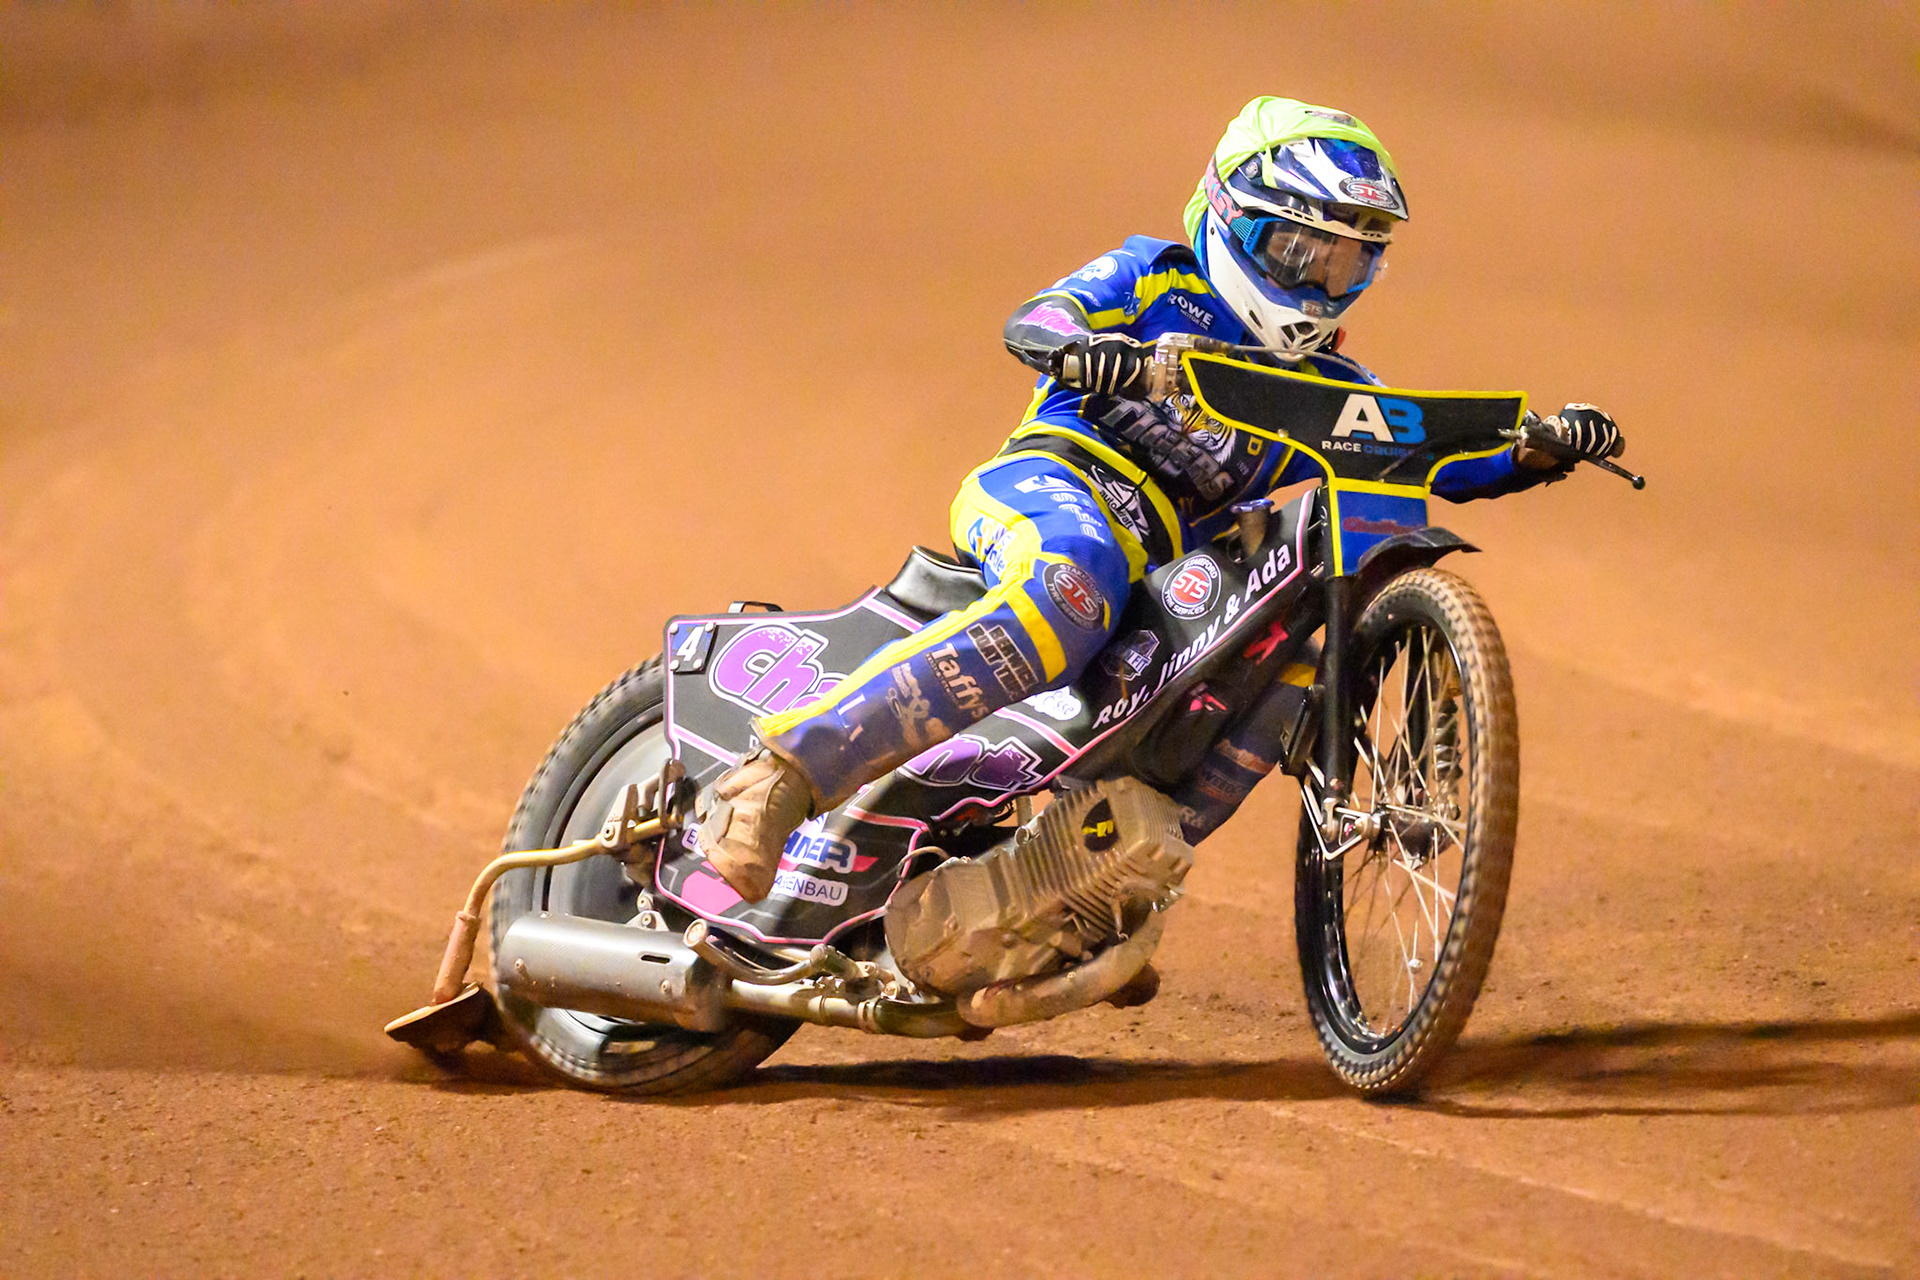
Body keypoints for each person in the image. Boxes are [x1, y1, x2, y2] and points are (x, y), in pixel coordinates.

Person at [696, 95, 1623, 900]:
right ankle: (778, 777)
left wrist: (1536, 449)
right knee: (1077, 575)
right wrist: (1088, 349)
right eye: (1299, 248)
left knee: (1282, 641)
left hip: (1161, 580)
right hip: (1053, 485)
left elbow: (1433, 459)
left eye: (1345, 264)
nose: (1317, 283)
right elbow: (1040, 318)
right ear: (1233, 220)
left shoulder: (1334, 387)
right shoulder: (1155, 277)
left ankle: (1076, 891)